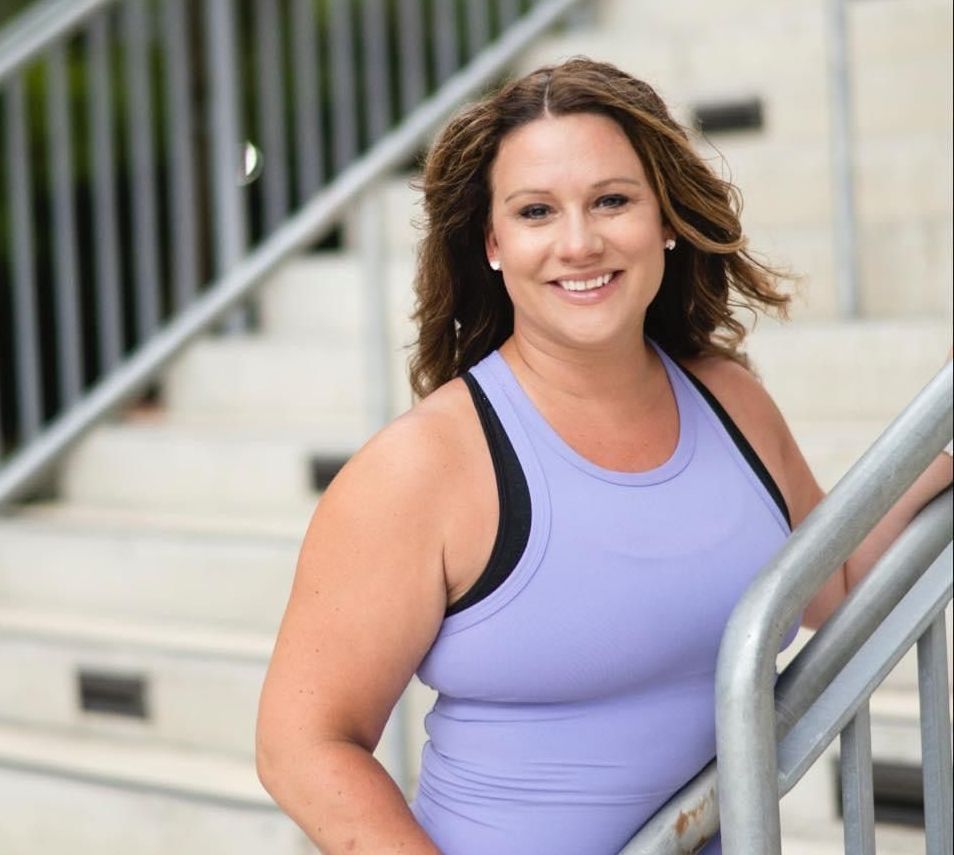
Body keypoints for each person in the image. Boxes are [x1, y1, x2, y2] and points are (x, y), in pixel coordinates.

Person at [255, 58, 952, 855]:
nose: (579, 243)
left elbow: (833, 581)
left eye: (612, 201)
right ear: (493, 241)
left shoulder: (731, 401)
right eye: (536, 211)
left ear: (663, 218)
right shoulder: (425, 466)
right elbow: (303, 743)